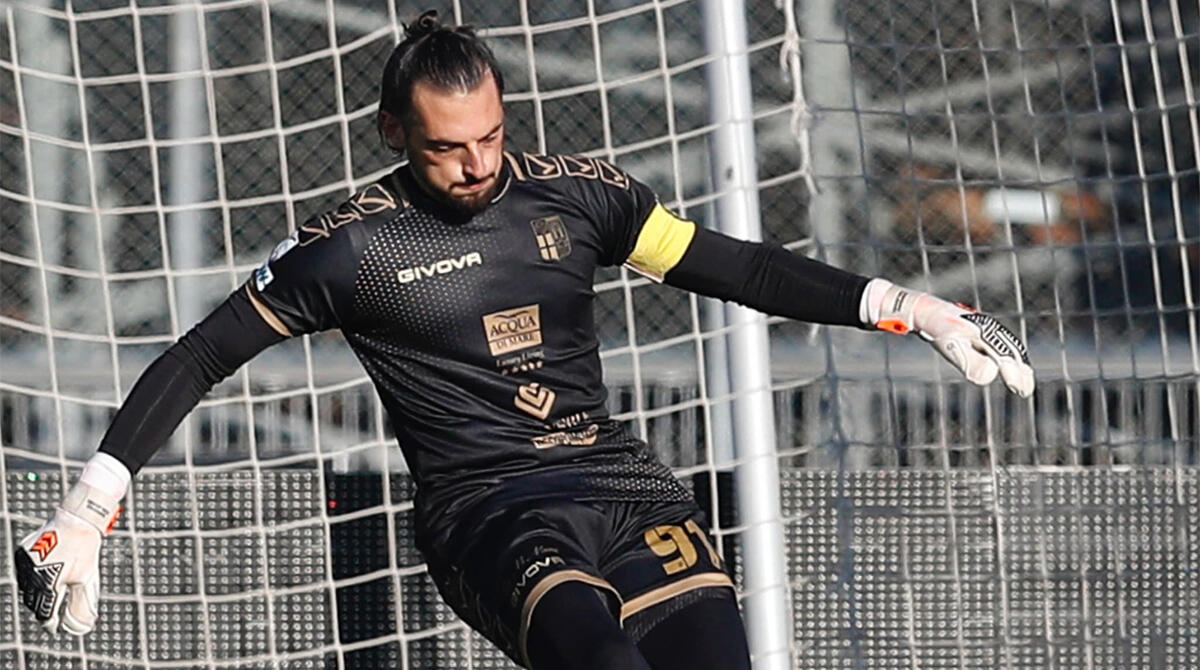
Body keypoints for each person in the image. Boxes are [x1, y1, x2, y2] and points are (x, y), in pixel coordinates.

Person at [14, 11, 1034, 669]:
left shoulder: (580, 198)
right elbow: (197, 355)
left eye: (491, 135)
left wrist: (917, 308)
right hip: (488, 511)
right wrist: (92, 505)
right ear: (395, 137)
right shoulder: (351, 251)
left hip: (624, 487)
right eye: (447, 147)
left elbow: (740, 268)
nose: (476, 164)